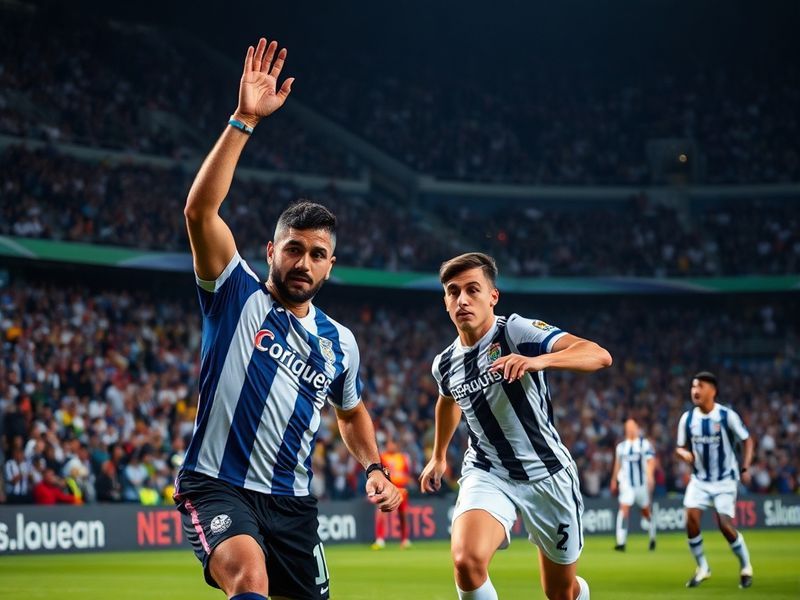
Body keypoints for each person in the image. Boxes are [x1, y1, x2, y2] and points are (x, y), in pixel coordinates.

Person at [173, 37, 401, 600]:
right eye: (293, 249)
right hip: (218, 486)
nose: (304, 262)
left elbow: (351, 414)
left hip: (293, 504)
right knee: (249, 580)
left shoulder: (339, 342)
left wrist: (375, 467)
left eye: (317, 254)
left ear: (330, 266)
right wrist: (244, 118)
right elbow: (200, 212)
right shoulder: (235, 292)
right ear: (270, 251)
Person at [419, 252, 612, 600]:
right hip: (488, 471)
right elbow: (447, 401)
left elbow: (598, 355)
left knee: (560, 593)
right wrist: (438, 456)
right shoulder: (444, 363)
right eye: (452, 291)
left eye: (472, 290)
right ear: (445, 301)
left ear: (493, 296)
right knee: (466, 561)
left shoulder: (516, 331)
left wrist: (539, 360)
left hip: (548, 473)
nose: (462, 299)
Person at [675, 371, 754, 589]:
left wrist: (745, 466)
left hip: (725, 480)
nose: (695, 391)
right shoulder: (688, 418)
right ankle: (703, 567)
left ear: (712, 390)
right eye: (693, 387)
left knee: (724, 525)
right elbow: (679, 447)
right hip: (700, 479)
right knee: (690, 519)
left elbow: (747, 440)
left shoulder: (727, 416)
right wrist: (683, 454)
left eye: (699, 386)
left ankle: (746, 566)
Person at [610, 418, 656, 551]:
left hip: (641, 485)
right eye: (628, 427)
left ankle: (652, 537)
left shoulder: (644, 444)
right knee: (623, 511)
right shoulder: (621, 447)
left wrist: (650, 477)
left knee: (646, 513)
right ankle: (621, 542)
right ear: (625, 429)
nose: (630, 429)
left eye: (632, 426)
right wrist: (614, 480)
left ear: (637, 428)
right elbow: (617, 465)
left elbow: (651, 462)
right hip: (627, 485)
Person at [372, 435, 413, 549]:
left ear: (396, 445)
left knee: (403, 515)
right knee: (381, 512)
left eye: (392, 443)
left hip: (401, 490)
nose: (391, 446)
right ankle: (380, 539)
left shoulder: (403, 457)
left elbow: (407, 473)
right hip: (388, 489)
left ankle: (405, 539)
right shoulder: (382, 457)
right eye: (389, 443)